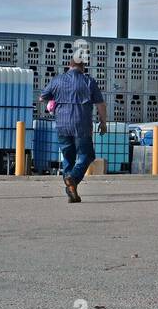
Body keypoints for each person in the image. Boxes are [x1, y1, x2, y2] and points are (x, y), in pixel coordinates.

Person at [40, 55, 107, 203]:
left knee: (68, 158)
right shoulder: (88, 81)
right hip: (81, 124)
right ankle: (73, 178)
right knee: (87, 155)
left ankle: (72, 192)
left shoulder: (57, 80)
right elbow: (100, 105)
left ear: (69, 66)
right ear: (82, 67)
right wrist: (103, 123)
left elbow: (42, 97)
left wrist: (55, 98)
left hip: (62, 125)